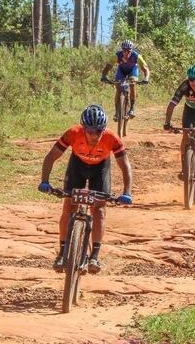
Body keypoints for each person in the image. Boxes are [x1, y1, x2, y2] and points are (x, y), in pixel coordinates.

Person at [38, 104, 133, 275]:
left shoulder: (112, 138)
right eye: (90, 131)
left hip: (101, 169)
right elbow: (51, 156)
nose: (94, 135)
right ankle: (62, 253)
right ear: (84, 128)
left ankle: (94, 256)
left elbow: (125, 166)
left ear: (103, 129)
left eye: (98, 131)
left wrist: (127, 192)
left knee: (100, 210)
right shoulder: (73, 133)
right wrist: (45, 181)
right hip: (77, 167)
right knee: (69, 206)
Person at [100, 40, 151, 119]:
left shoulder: (136, 56)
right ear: (122, 50)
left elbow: (146, 69)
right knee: (118, 88)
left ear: (132, 50)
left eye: (129, 51)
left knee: (132, 85)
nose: (126, 53)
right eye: (124, 50)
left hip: (132, 71)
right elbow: (108, 66)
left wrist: (146, 78)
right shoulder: (117, 56)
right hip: (121, 71)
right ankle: (117, 112)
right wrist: (104, 76)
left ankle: (132, 108)